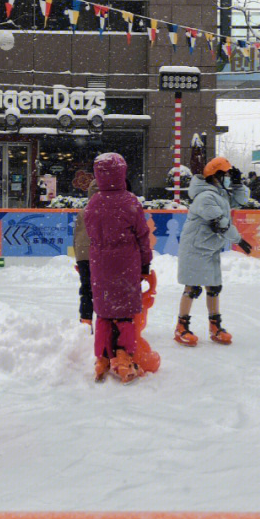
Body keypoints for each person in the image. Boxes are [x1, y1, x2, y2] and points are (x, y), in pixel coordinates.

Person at [82, 152, 152, 383]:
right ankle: (123, 356)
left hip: (100, 263)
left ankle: (102, 357)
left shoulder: (93, 203)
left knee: (103, 313)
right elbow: (142, 235)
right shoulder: (130, 201)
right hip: (125, 264)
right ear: (122, 172)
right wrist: (145, 261)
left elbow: (90, 232)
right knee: (124, 314)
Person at [175, 157, 253, 346]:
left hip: (209, 248)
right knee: (192, 288)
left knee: (214, 287)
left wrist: (237, 184)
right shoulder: (205, 197)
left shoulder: (219, 193)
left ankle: (215, 326)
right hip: (195, 248)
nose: (227, 177)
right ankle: (181, 327)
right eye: (225, 174)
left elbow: (241, 200)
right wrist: (239, 240)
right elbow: (221, 223)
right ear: (216, 176)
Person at [72, 178, 100, 327]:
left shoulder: (83, 211)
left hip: (83, 255)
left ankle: (85, 320)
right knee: (102, 290)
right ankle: (104, 323)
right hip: (98, 254)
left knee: (86, 289)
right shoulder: (104, 211)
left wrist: (78, 258)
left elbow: (76, 236)